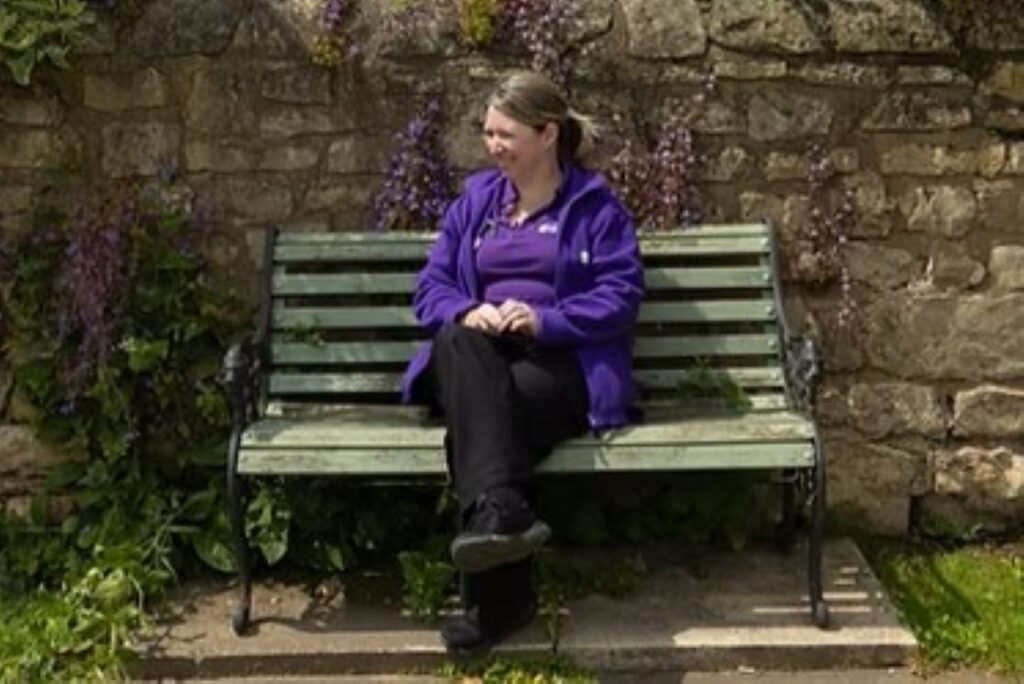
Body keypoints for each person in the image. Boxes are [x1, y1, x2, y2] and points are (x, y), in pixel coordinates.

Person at [400, 70, 644, 654]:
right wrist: (467, 311)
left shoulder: (596, 210)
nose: (492, 146)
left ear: (546, 133)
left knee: (482, 423)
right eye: (487, 133)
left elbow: (621, 295)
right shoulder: (475, 201)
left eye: (504, 133)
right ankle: (504, 518)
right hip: (472, 355)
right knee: (460, 347)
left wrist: (544, 320)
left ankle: (496, 595)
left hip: (554, 362)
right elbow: (429, 287)